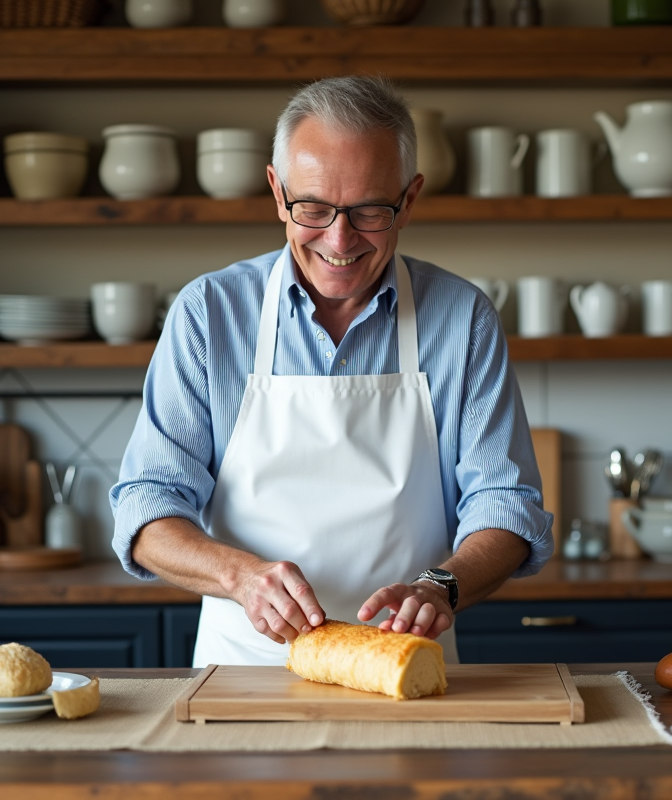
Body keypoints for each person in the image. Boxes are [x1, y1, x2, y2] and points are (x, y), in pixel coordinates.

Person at [110, 75, 553, 667]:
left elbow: (506, 505)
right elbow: (146, 507)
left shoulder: (462, 318)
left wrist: (440, 587)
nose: (339, 240)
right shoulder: (209, 314)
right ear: (276, 191)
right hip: (245, 670)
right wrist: (239, 575)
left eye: (370, 210)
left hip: (404, 664)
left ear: (410, 199)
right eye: (313, 208)